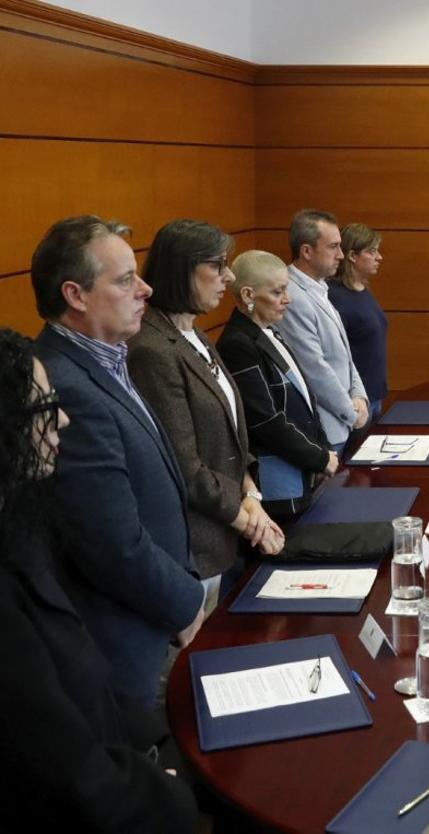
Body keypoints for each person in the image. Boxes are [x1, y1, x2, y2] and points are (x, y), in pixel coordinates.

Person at [0, 328, 200, 832]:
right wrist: (171, 790)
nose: (61, 419)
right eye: (44, 406)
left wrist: (158, 742)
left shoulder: (22, 530)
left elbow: (85, 685)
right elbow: (63, 765)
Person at [31, 215, 205, 709]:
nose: (146, 289)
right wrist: (187, 604)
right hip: (126, 647)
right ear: (76, 295)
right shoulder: (64, 385)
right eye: (126, 280)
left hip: (153, 620)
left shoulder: (107, 360)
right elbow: (110, 542)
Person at [127, 220, 284, 612]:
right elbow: (184, 464)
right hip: (194, 546)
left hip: (226, 533)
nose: (228, 277)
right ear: (182, 270)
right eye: (217, 266)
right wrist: (248, 518)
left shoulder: (193, 334)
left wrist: (251, 496)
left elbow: (231, 436)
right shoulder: (151, 349)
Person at [218, 250, 337, 519]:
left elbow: (304, 397)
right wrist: (318, 457)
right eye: (277, 292)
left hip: (304, 471)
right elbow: (264, 421)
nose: (288, 299)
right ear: (248, 295)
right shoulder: (238, 344)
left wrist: (323, 448)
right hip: (278, 482)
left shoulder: (268, 330)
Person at [274, 209, 368, 453]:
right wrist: (351, 411)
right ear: (306, 251)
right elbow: (313, 368)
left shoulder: (320, 287)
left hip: (342, 420)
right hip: (325, 427)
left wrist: (359, 395)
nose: (341, 255)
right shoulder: (292, 296)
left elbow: (344, 355)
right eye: (334, 247)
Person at [328, 223, 388, 422]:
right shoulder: (334, 296)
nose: (379, 257)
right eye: (372, 252)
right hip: (354, 402)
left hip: (374, 395)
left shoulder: (362, 289)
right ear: (352, 256)